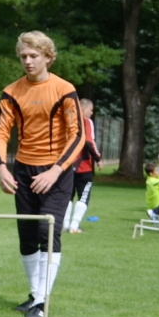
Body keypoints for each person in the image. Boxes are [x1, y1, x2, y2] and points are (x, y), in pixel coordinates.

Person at [0, 31, 84, 317]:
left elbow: (77, 134)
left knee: (48, 231)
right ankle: (35, 296)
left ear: (48, 56)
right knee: (28, 237)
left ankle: (42, 302)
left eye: (34, 56)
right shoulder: (11, 92)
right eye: (23, 56)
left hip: (57, 171)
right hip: (23, 170)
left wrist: (56, 169)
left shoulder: (64, 89)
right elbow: (0, 132)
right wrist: (2, 167)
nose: (28, 61)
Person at [64, 98, 101, 233]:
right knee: (84, 195)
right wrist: (98, 158)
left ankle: (65, 225)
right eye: (91, 110)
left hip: (66, 165)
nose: (91, 113)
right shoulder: (86, 122)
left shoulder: (67, 120)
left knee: (68, 195)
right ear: (84, 109)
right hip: (83, 166)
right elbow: (89, 142)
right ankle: (74, 226)